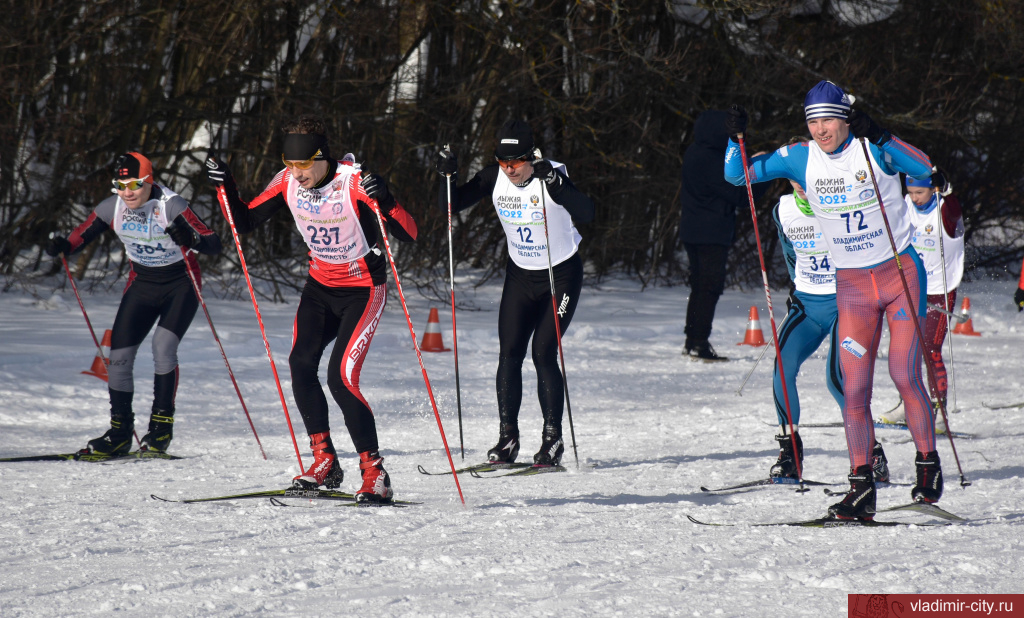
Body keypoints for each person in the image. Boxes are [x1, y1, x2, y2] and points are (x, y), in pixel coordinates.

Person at [723, 80, 944, 520]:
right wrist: (734, 139)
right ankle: (861, 487)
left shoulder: (871, 148)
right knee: (854, 388)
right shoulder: (801, 157)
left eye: (827, 119)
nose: (820, 129)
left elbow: (924, 168)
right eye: (812, 121)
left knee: (903, 373)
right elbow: (738, 176)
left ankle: (927, 465)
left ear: (844, 120)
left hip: (900, 276)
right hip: (854, 287)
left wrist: (881, 134)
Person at [206, 115, 417, 503]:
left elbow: (410, 233)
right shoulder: (286, 180)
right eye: (290, 164)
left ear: (324, 157)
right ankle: (325, 461)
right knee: (301, 364)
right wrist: (227, 186)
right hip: (319, 288)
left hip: (362, 291)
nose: (297, 174)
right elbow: (246, 220)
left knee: (341, 378)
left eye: (304, 164)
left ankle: (375, 472)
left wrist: (386, 199)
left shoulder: (353, 181)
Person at [434, 119, 595, 467]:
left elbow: (588, 212)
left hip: (560, 276)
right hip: (520, 277)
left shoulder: (551, 175)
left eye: (516, 163)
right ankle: (508, 438)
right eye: (503, 162)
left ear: (531, 157)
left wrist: (558, 186)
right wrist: (447, 177)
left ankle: (552, 440)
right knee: (509, 353)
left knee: (542, 352)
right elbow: (451, 204)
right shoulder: (494, 177)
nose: (509, 170)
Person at [46, 152, 222, 455]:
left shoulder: (171, 205)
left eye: (135, 185)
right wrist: (62, 246)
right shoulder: (112, 207)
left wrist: (189, 238)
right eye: (121, 185)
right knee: (118, 357)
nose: (127, 192)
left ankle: (160, 430)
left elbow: (214, 243)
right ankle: (120, 433)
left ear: (149, 181)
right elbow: (79, 237)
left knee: (163, 348)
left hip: (181, 284)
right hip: (142, 285)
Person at [768, 165, 891, 484]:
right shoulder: (783, 210)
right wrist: (796, 287)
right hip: (808, 305)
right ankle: (790, 453)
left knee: (838, 379)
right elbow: (789, 252)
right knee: (782, 368)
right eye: (795, 181)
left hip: (846, 304)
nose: (802, 188)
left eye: (806, 181)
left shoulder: (843, 205)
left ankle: (871, 453)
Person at [678, 110, 767, 361]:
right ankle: (699, 342)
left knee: (699, 287)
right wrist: (762, 172)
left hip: (693, 229)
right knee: (709, 288)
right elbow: (740, 196)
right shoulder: (712, 159)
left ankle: (692, 340)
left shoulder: (694, 151)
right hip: (710, 232)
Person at [880, 173, 964, 424]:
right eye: (911, 192)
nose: (914, 198)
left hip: (939, 289)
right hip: (910, 287)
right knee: (904, 349)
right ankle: (908, 404)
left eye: (920, 193)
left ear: (933, 190)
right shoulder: (905, 204)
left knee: (929, 348)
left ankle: (939, 411)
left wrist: (947, 190)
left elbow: (954, 209)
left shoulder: (944, 210)